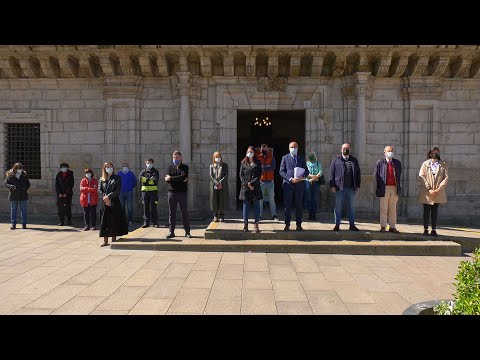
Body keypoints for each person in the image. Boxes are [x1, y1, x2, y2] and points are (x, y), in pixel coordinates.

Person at [329, 143, 361, 231]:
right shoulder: (336, 160)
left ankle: (352, 225)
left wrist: (358, 185)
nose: (345, 150)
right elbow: (331, 173)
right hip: (339, 188)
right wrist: (332, 186)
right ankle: (337, 224)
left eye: (347, 148)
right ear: (341, 150)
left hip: (351, 188)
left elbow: (358, 174)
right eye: (344, 148)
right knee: (338, 206)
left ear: (349, 149)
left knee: (351, 207)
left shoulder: (354, 160)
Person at [418, 146, 449, 237]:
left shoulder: (443, 164)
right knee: (426, 211)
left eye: (436, 152)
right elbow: (421, 176)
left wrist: (439, 188)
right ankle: (425, 229)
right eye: (433, 152)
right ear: (430, 153)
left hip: (438, 191)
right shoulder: (425, 164)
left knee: (435, 211)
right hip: (427, 192)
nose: (435, 154)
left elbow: (446, 177)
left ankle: (434, 229)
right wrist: (429, 188)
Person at [279, 141, 309, 231]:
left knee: (299, 205)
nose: (293, 149)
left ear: (298, 148)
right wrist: (290, 179)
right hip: (288, 184)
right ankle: (287, 224)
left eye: (295, 147)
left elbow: (306, 171)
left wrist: (302, 177)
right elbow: (281, 171)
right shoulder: (285, 158)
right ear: (289, 148)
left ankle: (298, 224)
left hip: (299, 184)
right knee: (287, 205)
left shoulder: (301, 158)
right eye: (292, 147)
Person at [98, 162, 128, 246]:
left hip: (114, 201)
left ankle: (114, 238)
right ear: (104, 168)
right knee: (104, 220)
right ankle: (105, 240)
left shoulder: (117, 178)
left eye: (110, 166)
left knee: (113, 220)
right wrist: (105, 197)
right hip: (104, 202)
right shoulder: (102, 179)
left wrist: (109, 197)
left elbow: (117, 190)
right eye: (107, 167)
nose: (109, 168)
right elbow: (99, 190)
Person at [374, 146, 402, 233]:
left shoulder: (397, 163)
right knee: (383, 208)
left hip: (394, 188)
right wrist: (380, 185)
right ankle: (383, 226)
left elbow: (399, 174)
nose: (390, 152)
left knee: (393, 208)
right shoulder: (380, 162)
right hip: (384, 188)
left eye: (391, 151)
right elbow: (376, 174)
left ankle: (392, 226)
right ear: (384, 152)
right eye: (388, 151)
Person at [165, 151, 191, 238]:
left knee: (184, 213)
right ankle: (171, 232)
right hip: (172, 193)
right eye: (174, 158)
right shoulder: (170, 167)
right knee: (172, 213)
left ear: (181, 158)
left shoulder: (185, 168)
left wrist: (172, 178)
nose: (175, 159)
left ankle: (187, 232)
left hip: (182, 193)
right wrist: (177, 179)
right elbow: (167, 180)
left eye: (176, 157)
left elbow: (183, 177)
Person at [239, 146, 263, 233]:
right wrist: (247, 184)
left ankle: (256, 225)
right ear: (246, 153)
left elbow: (259, 175)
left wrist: (252, 183)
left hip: (255, 187)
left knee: (257, 207)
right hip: (245, 188)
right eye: (248, 152)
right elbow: (241, 175)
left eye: (251, 152)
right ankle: (245, 224)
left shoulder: (258, 162)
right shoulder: (243, 163)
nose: (250, 153)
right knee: (245, 207)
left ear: (254, 153)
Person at [5, 162, 30, 230]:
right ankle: (13, 224)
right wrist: (12, 186)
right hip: (14, 195)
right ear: (15, 168)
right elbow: (6, 183)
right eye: (19, 169)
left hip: (23, 194)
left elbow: (28, 184)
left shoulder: (24, 175)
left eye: (21, 169)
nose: (20, 170)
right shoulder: (10, 175)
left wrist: (25, 188)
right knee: (14, 210)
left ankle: (24, 224)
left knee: (23, 210)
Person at [257, 143, 278, 221]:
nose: (264, 150)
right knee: (260, 199)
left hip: (270, 181)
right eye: (263, 149)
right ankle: (259, 215)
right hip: (261, 181)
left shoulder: (271, 157)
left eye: (265, 149)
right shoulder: (258, 157)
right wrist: (266, 167)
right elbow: (258, 168)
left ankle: (274, 215)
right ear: (260, 150)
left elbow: (273, 167)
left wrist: (264, 167)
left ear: (268, 149)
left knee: (271, 199)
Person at [138, 158, 159, 228]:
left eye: (150, 162)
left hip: (153, 192)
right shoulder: (143, 171)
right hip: (145, 192)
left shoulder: (155, 171)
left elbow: (156, 180)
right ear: (145, 163)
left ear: (153, 163)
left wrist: (146, 180)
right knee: (145, 207)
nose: (149, 164)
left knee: (154, 207)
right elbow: (141, 179)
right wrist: (150, 179)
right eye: (148, 162)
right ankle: (146, 222)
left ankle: (155, 222)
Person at [209, 151, 229, 222]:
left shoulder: (225, 165)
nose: (218, 158)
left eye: (219, 156)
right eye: (216, 157)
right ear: (214, 158)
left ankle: (221, 215)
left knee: (221, 200)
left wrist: (220, 183)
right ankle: (215, 215)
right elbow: (211, 176)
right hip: (214, 186)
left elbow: (226, 175)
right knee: (214, 200)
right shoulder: (211, 166)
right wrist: (216, 183)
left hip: (222, 186)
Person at [304, 151, 323, 221]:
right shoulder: (307, 164)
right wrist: (312, 177)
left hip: (316, 183)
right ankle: (310, 214)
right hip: (308, 182)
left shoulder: (318, 163)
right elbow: (305, 172)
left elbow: (320, 172)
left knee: (314, 199)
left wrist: (314, 178)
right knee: (309, 198)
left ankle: (314, 214)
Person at [118, 161, 137, 227]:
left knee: (129, 207)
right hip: (121, 192)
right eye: (124, 166)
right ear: (122, 167)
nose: (125, 167)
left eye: (126, 166)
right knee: (122, 207)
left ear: (128, 167)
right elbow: (117, 182)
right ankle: (123, 220)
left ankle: (130, 220)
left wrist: (130, 187)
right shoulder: (119, 173)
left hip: (129, 192)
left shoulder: (131, 173)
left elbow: (134, 182)